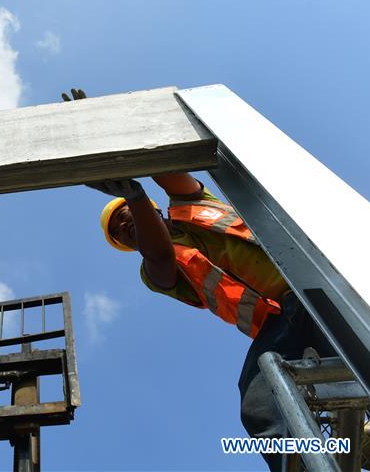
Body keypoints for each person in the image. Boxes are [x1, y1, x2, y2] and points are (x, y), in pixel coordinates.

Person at [87, 173, 343, 471]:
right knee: (258, 403)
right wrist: (134, 197)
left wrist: (134, 156)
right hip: (280, 323)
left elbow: (171, 171)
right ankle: (305, 464)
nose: (122, 226)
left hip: (313, 283)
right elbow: (159, 256)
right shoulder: (152, 271)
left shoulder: (193, 205)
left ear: (156, 208)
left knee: (355, 356)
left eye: (123, 215)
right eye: (118, 232)